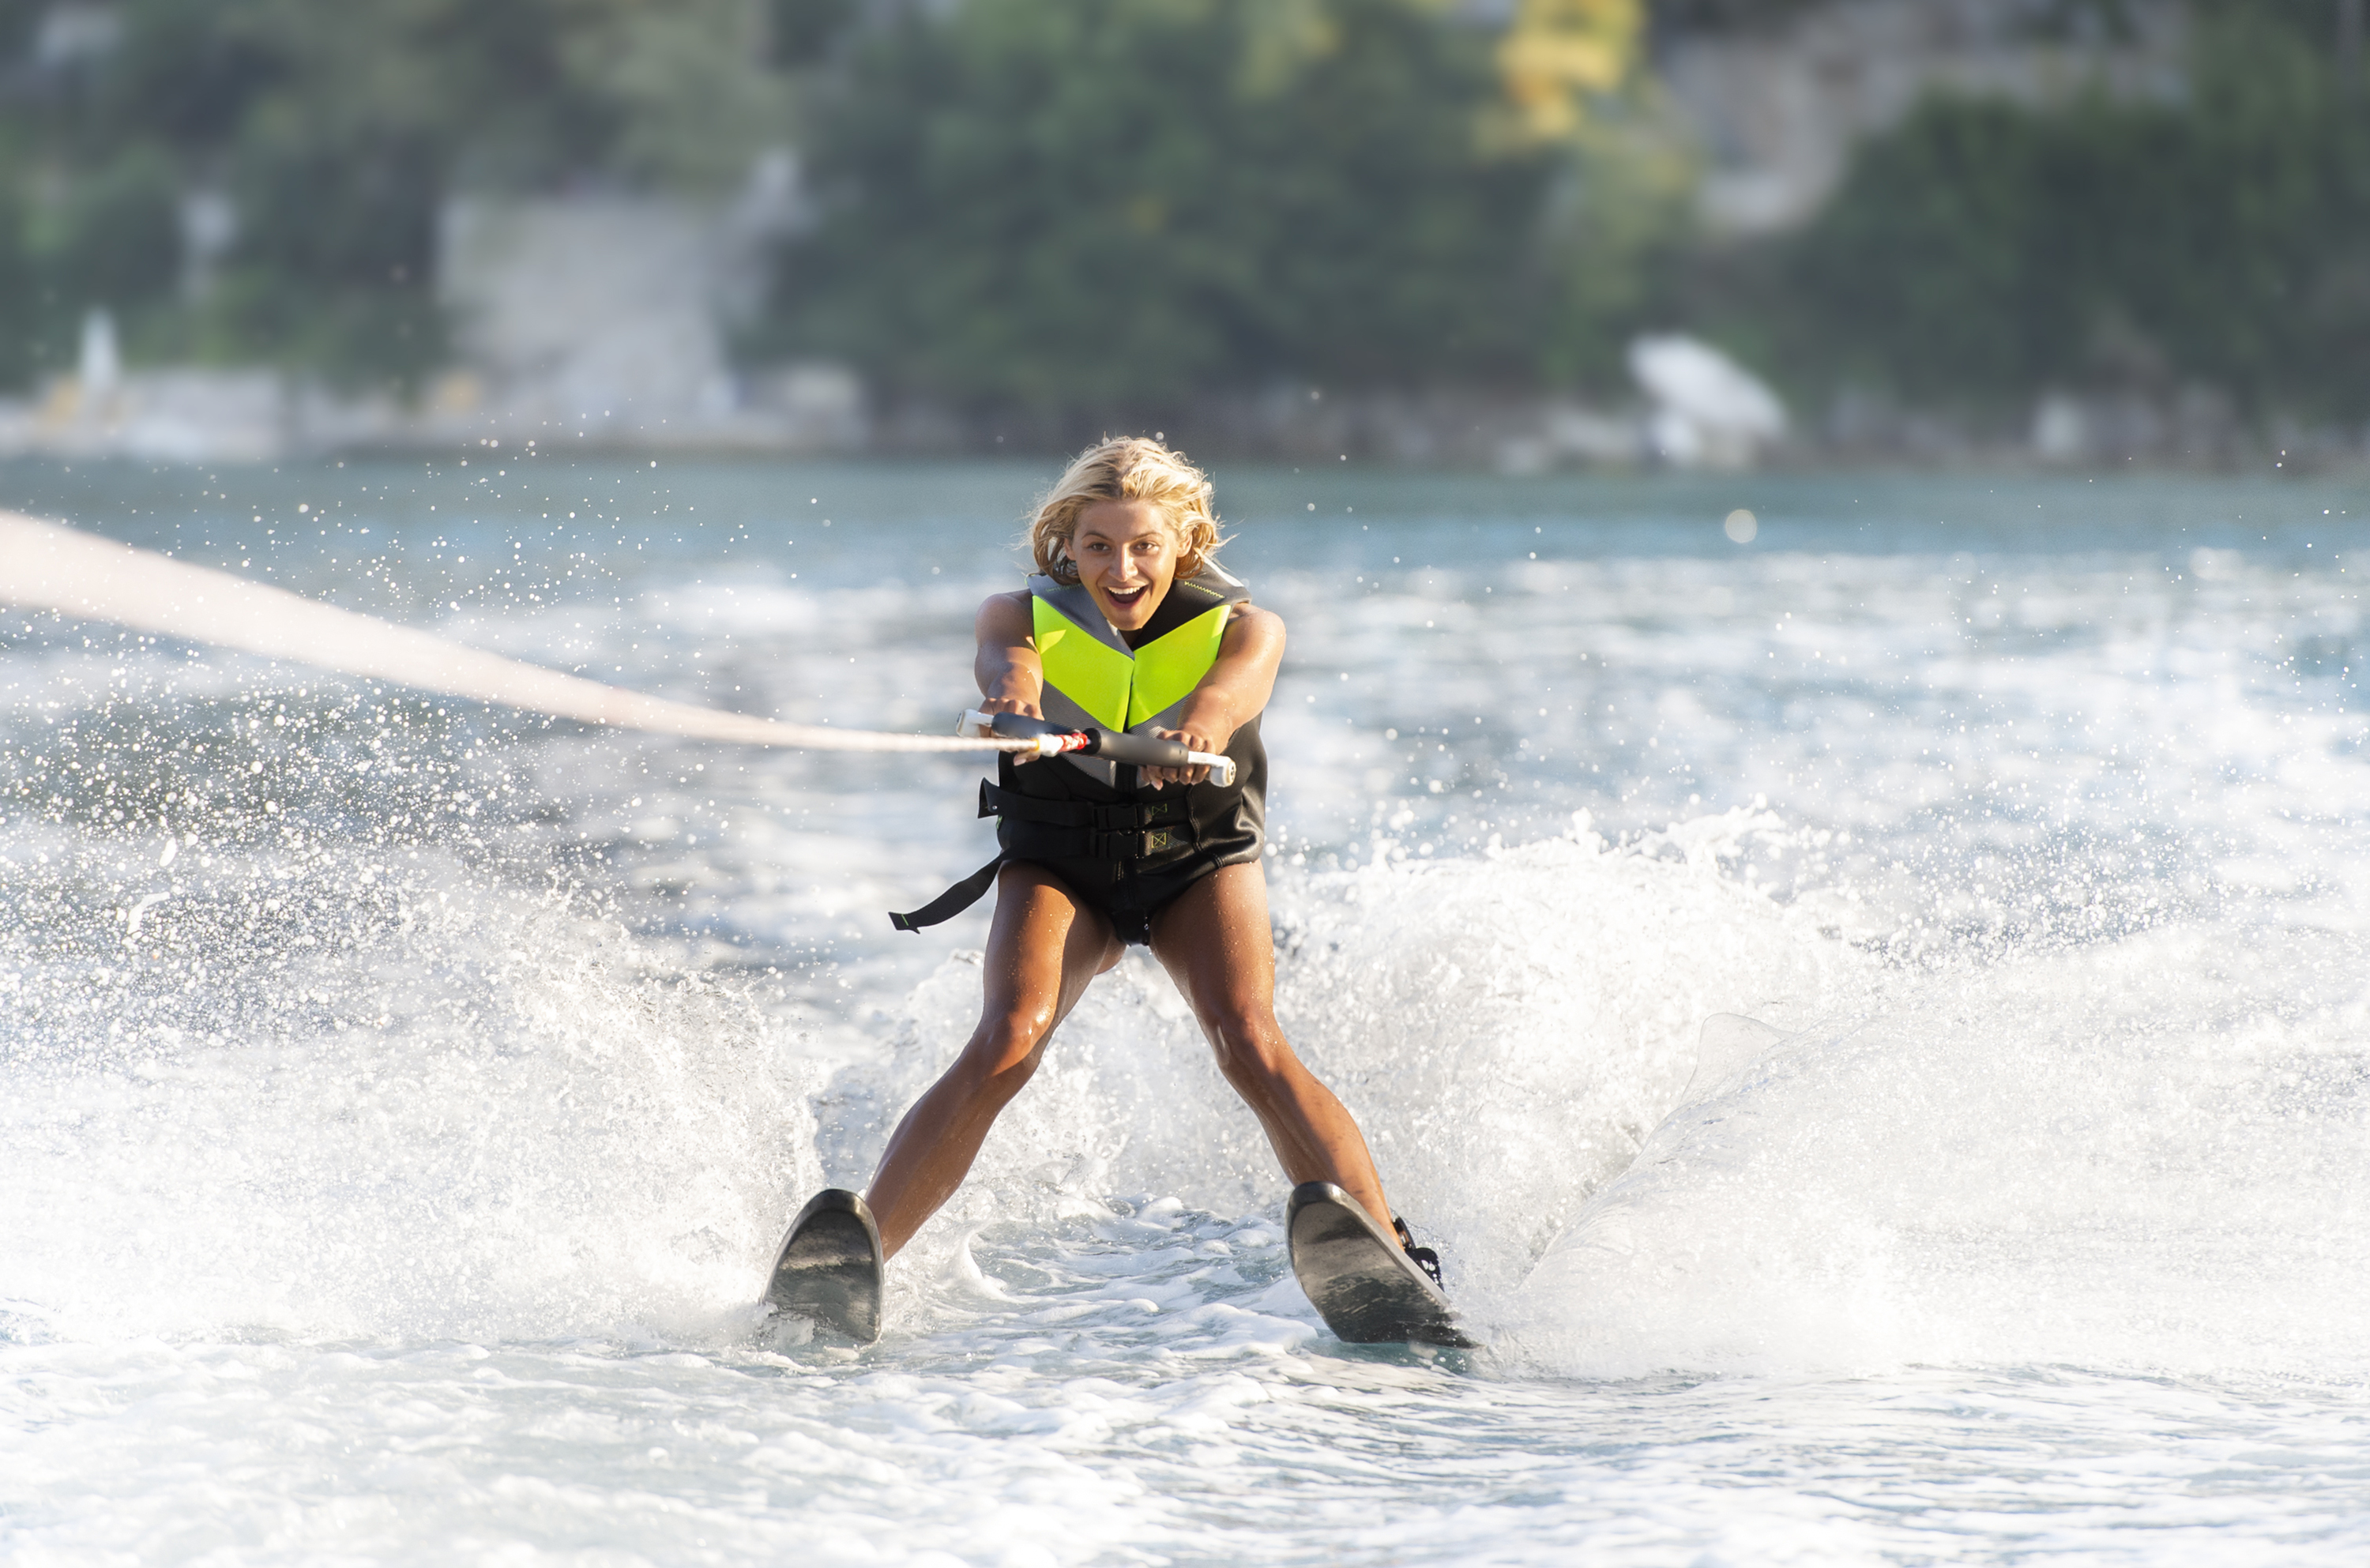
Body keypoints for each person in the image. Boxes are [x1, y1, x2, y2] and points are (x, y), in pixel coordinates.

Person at [766, 437, 1433, 1340]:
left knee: (1246, 1039)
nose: (1122, 568)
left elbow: (1229, 694)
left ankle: (1393, 1250)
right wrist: (1022, 712)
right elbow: (1009, 667)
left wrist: (1189, 728)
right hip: (1061, 862)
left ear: (1184, 542)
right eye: (1098, 546)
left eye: (1145, 546)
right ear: (1066, 547)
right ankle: (858, 1256)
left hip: (1196, 860)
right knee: (1009, 1034)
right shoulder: (1015, 613)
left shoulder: (1248, 626)